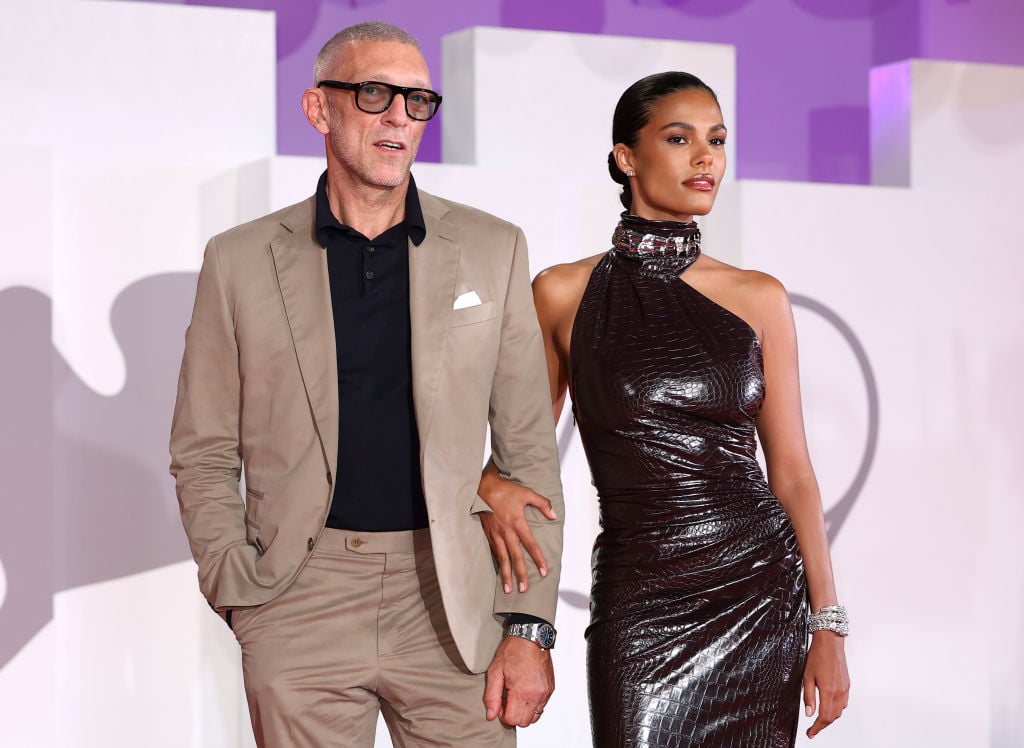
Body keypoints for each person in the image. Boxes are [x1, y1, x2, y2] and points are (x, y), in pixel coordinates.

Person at [169, 22, 564, 748]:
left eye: (418, 101)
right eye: (376, 93)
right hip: (300, 597)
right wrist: (240, 594)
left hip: (452, 595)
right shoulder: (239, 260)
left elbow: (529, 452)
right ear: (318, 108)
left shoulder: (493, 248)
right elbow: (203, 450)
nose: (399, 118)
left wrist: (530, 626)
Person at [477, 72, 850, 746]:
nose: (706, 158)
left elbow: (793, 473)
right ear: (626, 157)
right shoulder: (561, 293)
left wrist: (827, 624)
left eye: (717, 140)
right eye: (680, 139)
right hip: (638, 603)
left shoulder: (759, 296)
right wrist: (489, 485)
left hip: (759, 594)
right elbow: (521, 457)